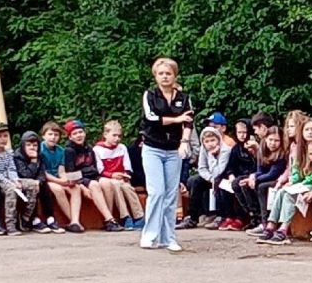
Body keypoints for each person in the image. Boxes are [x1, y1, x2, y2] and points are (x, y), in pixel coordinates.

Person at [141, 57, 193, 252]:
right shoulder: (150, 95)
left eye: (168, 73)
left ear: (174, 76)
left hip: (173, 150)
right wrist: (176, 119)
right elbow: (151, 118)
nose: (165, 77)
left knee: (171, 194)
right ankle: (149, 235)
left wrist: (184, 142)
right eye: (161, 73)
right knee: (157, 192)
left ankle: (169, 237)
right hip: (153, 148)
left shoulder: (184, 97)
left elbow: (188, 121)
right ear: (156, 76)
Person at [64, 119, 123, 232]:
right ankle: (109, 219)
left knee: (106, 183)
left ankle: (108, 219)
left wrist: (90, 173)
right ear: (70, 137)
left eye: (80, 132)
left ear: (85, 133)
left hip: (91, 176)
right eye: (75, 134)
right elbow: (71, 174)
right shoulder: (69, 151)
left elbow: (94, 169)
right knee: (95, 185)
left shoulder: (89, 148)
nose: (78, 135)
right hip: (79, 180)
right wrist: (83, 186)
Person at [0, 122, 40, 234]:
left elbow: (11, 168)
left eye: (5, 136)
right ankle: (10, 224)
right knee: (11, 190)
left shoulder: (9, 152)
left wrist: (15, 180)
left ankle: (25, 217)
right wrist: (9, 183)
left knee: (33, 184)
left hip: (11, 179)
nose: (2, 139)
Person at [93, 120, 145, 230]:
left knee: (126, 187)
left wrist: (125, 175)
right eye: (114, 135)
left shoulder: (122, 148)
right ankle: (125, 216)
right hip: (108, 178)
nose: (117, 139)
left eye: (119, 136)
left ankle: (139, 216)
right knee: (116, 184)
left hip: (122, 178)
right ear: (105, 135)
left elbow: (127, 166)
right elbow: (100, 169)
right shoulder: (97, 149)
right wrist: (112, 175)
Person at [178, 126, 231, 229]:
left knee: (219, 183)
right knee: (195, 181)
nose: (210, 144)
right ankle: (193, 217)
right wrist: (210, 178)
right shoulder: (203, 149)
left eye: (213, 140)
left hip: (223, 176)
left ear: (218, 140)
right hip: (211, 176)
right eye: (207, 141)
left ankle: (220, 216)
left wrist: (212, 156)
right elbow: (202, 168)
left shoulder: (225, 150)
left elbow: (219, 171)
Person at [13, 131, 64, 233]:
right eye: (28, 145)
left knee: (44, 186)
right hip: (23, 182)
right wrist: (33, 161)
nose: (32, 147)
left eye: (35, 145)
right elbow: (25, 174)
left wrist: (39, 181)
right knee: (33, 188)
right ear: (23, 145)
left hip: (36, 181)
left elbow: (42, 172)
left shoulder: (40, 155)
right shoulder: (18, 156)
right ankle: (34, 220)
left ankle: (50, 218)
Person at [39, 121, 84, 231]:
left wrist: (67, 180)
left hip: (57, 178)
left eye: (56, 135)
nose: (53, 137)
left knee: (76, 188)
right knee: (59, 189)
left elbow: (61, 171)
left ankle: (75, 221)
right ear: (43, 135)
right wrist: (60, 182)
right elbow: (43, 173)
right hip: (45, 179)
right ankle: (71, 220)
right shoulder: (40, 149)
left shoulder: (60, 150)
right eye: (50, 134)